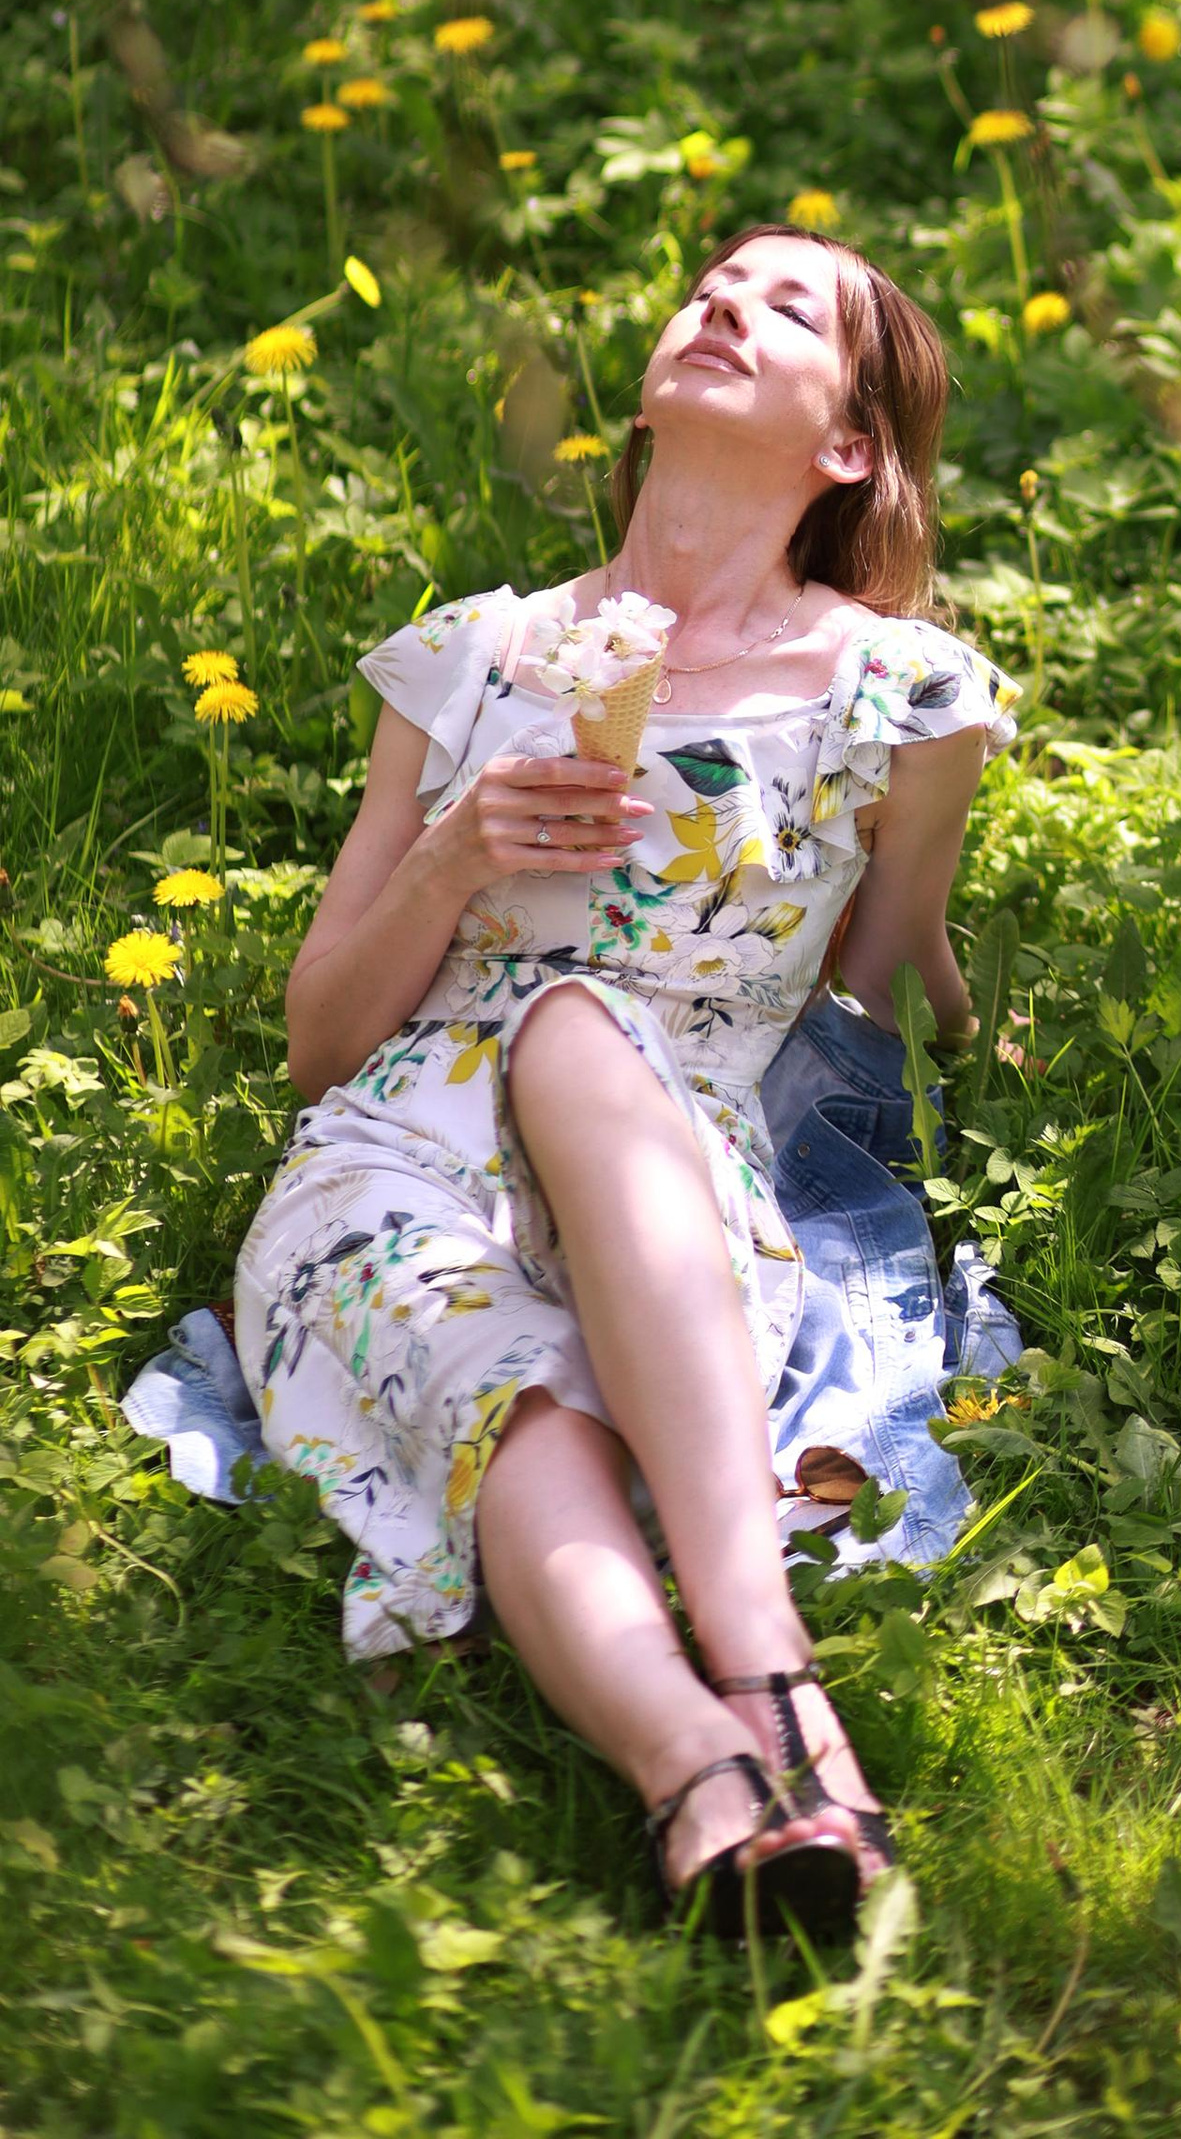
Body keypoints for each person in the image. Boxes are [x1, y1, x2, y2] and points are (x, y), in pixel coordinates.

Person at [233, 223, 1016, 1935]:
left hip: (674, 1159)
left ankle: (767, 1679)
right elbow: (316, 1043)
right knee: (505, 1400)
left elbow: (883, 981)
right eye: (712, 285)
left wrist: (982, 1044)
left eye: (787, 305)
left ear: (850, 447)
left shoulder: (897, 694)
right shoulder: (474, 658)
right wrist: (456, 855)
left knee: (581, 1026)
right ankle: (704, 1780)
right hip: (397, 1156)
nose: (723, 302)